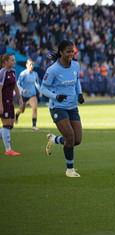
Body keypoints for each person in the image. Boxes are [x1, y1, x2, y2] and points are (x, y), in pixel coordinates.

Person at [40, 40, 85, 177]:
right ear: (61, 52)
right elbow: (43, 88)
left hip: (72, 106)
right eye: (68, 51)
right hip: (57, 107)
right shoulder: (53, 70)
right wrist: (55, 96)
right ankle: (69, 169)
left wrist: (80, 93)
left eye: (72, 51)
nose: (71, 54)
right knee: (70, 136)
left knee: (77, 140)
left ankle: (54, 140)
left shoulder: (76, 65)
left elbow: (76, 80)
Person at [0, 53, 23, 155]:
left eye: (14, 60)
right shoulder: (2, 72)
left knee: (10, 125)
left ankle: (8, 148)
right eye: (12, 60)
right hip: (4, 101)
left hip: (11, 101)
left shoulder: (13, 72)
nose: (14, 62)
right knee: (6, 125)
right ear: (6, 62)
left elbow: (15, 86)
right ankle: (8, 150)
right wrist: (0, 105)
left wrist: (20, 97)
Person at [15, 59, 40, 131]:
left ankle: (34, 125)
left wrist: (40, 91)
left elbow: (37, 83)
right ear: (26, 65)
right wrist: (21, 89)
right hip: (24, 95)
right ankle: (16, 115)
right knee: (22, 110)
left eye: (32, 65)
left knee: (34, 109)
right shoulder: (23, 74)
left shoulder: (35, 74)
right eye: (30, 65)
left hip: (32, 94)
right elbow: (18, 83)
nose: (31, 66)